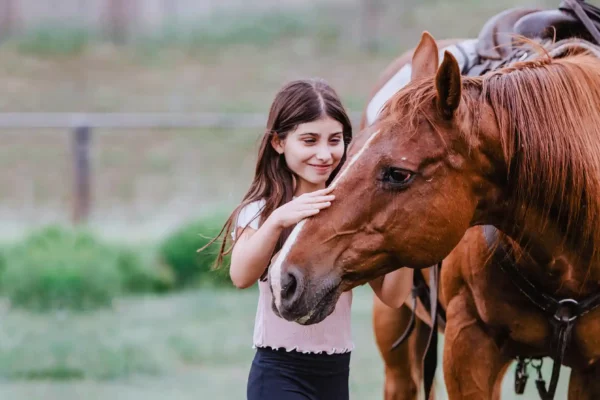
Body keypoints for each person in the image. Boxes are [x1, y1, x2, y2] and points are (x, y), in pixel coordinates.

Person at [208, 78, 414, 400]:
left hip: (335, 375)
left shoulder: (350, 215)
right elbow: (241, 275)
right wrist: (279, 220)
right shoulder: (261, 211)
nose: (324, 153)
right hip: (278, 372)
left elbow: (393, 297)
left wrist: (405, 245)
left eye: (335, 140)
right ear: (279, 142)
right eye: (309, 140)